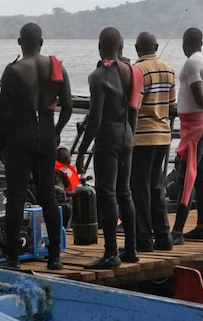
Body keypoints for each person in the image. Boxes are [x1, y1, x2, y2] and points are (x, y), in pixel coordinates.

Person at [0, 23, 72, 270]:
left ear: (20, 42)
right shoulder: (57, 68)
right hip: (47, 135)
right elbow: (68, 107)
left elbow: (4, 114)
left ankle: (13, 258)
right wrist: (57, 131)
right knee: (48, 195)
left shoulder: (13, 70)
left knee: (16, 197)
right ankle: (54, 258)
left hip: (20, 136)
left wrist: (1, 144)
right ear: (42, 42)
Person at [76, 27, 142, 269]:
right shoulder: (133, 72)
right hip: (127, 135)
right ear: (122, 45)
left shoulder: (98, 76)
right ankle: (132, 250)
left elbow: (95, 118)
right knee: (125, 192)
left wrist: (82, 149)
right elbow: (134, 110)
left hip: (108, 136)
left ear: (99, 45)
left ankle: (111, 253)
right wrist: (130, 139)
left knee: (107, 194)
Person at [132, 31, 176, 252]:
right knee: (157, 186)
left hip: (142, 136)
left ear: (136, 48)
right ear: (156, 46)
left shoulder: (137, 70)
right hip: (163, 135)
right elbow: (172, 103)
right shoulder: (168, 69)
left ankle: (143, 240)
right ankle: (164, 238)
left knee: (139, 188)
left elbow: (134, 106)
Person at [171, 27, 203, 245]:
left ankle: (177, 231)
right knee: (201, 176)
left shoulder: (191, 64)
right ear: (202, 43)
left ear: (184, 43)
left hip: (194, 126)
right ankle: (201, 227)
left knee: (186, 178)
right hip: (202, 123)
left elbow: (199, 94)